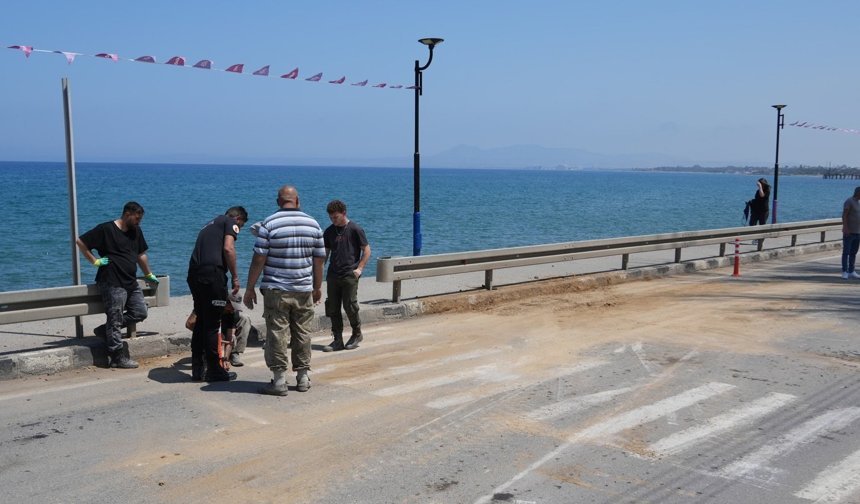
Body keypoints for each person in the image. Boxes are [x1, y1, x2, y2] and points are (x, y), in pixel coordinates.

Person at [243, 185, 325, 396]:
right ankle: (303, 377)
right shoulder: (313, 224)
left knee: (277, 334)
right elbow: (319, 260)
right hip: (304, 288)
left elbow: (259, 258)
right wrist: (317, 287)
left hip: (276, 289)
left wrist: (250, 287)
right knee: (303, 333)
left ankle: (279, 381)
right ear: (298, 201)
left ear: (278, 202)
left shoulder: (269, 224)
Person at [76, 201, 159, 369]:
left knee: (140, 312)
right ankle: (117, 357)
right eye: (137, 219)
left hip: (130, 280)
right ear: (127, 214)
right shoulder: (106, 229)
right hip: (112, 281)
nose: (139, 222)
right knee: (115, 319)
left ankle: (104, 330)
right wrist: (95, 261)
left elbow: (141, 254)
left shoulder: (136, 231)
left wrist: (148, 273)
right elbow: (80, 242)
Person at [187, 206, 248, 382]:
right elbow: (228, 248)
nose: (238, 230)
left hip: (194, 275)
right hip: (212, 276)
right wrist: (235, 277)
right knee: (213, 324)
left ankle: (197, 368)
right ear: (238, 219)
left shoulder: (208, 225)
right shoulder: (230, 222)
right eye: (241, 226)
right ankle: (214, 370)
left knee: (201, 321)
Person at [322, 199, 371, 352]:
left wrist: (359, 269)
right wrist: (319, 271)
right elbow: (325, 254)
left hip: (350, 274)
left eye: (335, 217)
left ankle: (357, 333)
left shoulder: (355, 229)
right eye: (331, 217)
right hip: (333, 275)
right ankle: (337, 339)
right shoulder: (329, 232)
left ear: (344, 213)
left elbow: (366, 250)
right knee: (333, 307)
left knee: (350, 305)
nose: (333, 220)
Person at [842, 187, 860, 280]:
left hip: (858, 232)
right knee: (846, 252)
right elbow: (844, 215)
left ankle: (851, 271)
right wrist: (845, 228)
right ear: (858, 193)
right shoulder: (849, 201)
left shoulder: (858, 203)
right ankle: (844, 271)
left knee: (853, 252)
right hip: (849, 232)